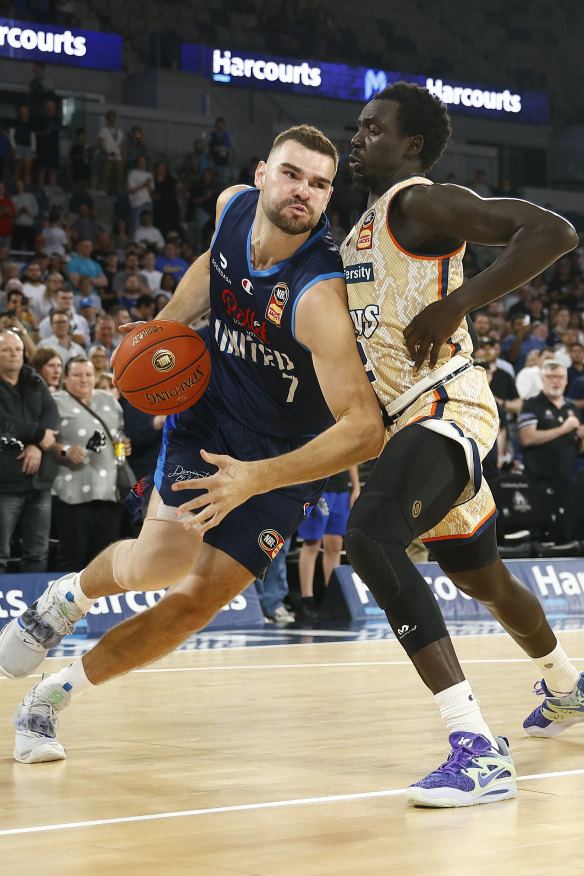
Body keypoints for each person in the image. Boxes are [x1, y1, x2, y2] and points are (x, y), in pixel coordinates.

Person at [0, 124, 383, 764]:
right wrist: (169, 325)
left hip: (282, 460)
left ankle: (48, 698)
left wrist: (257, 478)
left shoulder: (319, 296)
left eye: (320, 185)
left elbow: (366, 430)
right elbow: (215, 267)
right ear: (261, 174)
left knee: (192, 607)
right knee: (160, 564)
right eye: (293, 174)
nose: (305, 193)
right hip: (211, 420)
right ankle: (64, 601)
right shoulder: (231, 207)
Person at [339, 82, 581, 808]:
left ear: (409, 143)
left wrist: (458, 302)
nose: (359, 136)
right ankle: (569, 688)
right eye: (357, 125)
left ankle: (476, 749)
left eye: (373, 127)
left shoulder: (421, 200)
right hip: (406, 421)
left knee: (371, 539)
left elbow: (554, 232)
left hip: (447, 403)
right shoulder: (363, 227)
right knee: (486, 580)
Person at [48, 356, 131, 572]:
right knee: (72, 556)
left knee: (105, 559)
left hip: (109, 493)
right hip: (72, 494)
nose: (84, 380)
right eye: (77, 375)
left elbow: (120, 435)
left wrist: (124, 448)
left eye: (88, 375)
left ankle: (103, 604)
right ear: (65, 378)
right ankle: (64, 604)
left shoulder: (109, 401)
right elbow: (44, 442)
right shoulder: (54, 402)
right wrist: (66, 451)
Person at [0, 329, 59, 573]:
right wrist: (37, 435)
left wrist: (36, 446)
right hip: (5, 483)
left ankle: (35, 608)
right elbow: (4, 422)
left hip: (39, 481)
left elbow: (52, 414)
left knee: (38, 552)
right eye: (6, 350)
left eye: (18, 349)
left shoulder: (33, 378)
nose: (14, 354)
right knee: (0, 553)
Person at [518, 359, 584, 539]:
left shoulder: (571, 407)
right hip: (540, 478)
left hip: (567, 476)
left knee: (566, 529)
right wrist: (564, 429)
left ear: (566, 380)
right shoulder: (532, 404)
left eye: (560, 377)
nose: (556, 381)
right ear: (542, 379)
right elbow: (527, 438)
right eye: (551, 377)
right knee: (542, 529)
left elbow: (579, 449)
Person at [297, 466, 360, 619]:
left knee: (335, 544)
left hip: (342, 489)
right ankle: (307, 599)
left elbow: (353, 454)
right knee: (312, 542)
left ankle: (332, 598)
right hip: (318, 486)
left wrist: (356, 486)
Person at [97, 111, 126, 194]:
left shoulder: (119, 131)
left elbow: (123, 144)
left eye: (113, 118)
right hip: (108, 157)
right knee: (105, 177)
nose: (112, 120)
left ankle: (118, 194)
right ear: (107, 119)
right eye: (110, 118)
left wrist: (124, 156)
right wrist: (105, 152)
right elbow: (100, 142)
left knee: (119, 178)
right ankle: (102, 193)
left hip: (118, 157)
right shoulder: (104, 130)